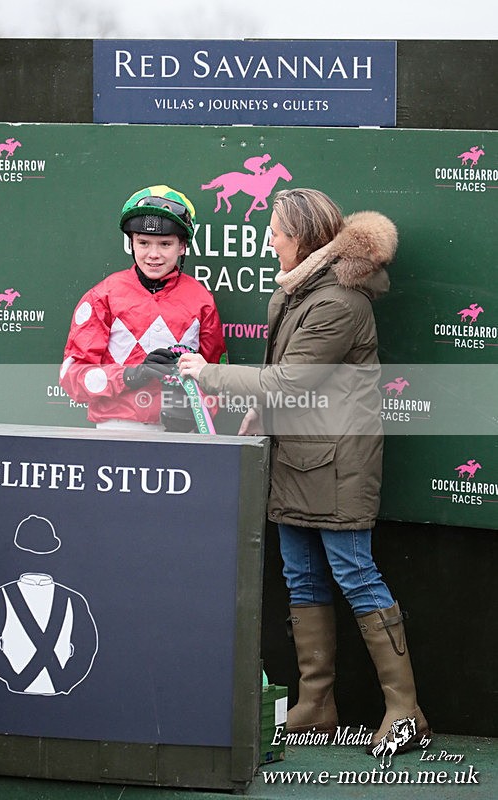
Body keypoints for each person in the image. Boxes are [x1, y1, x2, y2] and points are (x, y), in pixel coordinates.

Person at [178, 187, 429, 751]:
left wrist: (209, 374)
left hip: (337, 464)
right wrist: (257, 410)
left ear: (306, 239)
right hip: (295, 457)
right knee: (302, 578)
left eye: (277, 230)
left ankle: (406, 712)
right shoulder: (303, 293)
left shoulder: (338, 302)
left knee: (356, 576)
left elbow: (292, 382)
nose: (268, 238)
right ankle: (316, 705)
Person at [60, 185, 226, 431]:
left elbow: (216, 378)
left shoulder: (202, 300)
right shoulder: (102, 296)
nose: (153, 254)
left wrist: (195, 412)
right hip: (117, 429)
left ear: (182, 246)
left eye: (165, 244)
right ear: (131, 243)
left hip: (180, 434)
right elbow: (72, 378)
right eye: (144, 242)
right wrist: (130, 376)